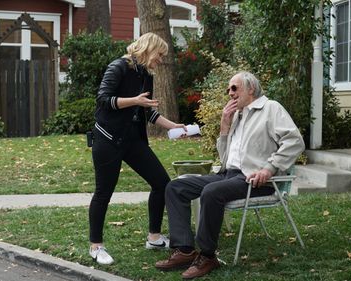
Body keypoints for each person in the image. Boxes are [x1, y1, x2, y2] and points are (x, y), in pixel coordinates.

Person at [155, 71, 305, 279]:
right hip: (228, 175)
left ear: (251, 88)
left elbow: (295, 141)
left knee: (211, 192)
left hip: (255, 180)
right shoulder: (239, 114)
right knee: (175, 187)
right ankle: (185, 250)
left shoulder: (271, 108)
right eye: (228, 89)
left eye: (234, 88)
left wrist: (269, 169)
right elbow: (225, 157)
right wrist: (225, 125)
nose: (230, 93)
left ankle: (207, 256)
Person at [88, 32, 186, 265]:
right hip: (108, 139)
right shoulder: (119, 67)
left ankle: (154, 237)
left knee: (162, 183)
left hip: (132, 140)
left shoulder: (146, 75)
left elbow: (147, 111)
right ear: (148, 50)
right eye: (159, 55)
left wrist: (174, 126)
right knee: (104, 193)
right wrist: (134, 101)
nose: (160, 61)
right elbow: (104, 100)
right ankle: (96, 246)